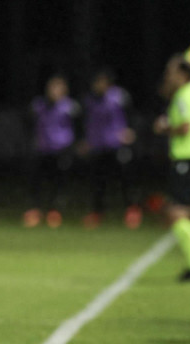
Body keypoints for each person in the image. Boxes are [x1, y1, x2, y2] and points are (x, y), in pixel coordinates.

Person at [154, 54, 190, 281]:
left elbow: (186, 127)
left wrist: (164, 128)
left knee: (175, 213)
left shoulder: (184, 95)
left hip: (186, 160)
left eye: (171, 72)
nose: (168, 76)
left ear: (183, 74)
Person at [80, 68, 141, 230]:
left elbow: (132, 115)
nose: (99, 85)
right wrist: (85, 140)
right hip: (98, 145)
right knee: (98, 181)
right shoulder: (89, 100)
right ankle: (97, 212)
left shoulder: (120, 96)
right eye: (97, 82)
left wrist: (131, 131)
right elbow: (85, 121)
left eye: (102, 81)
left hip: (117, 144)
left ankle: (132, 209)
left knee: (126, 179)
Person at [24, 75, 80, 228]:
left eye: (58, 88)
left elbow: (79, 126)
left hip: (62, 149)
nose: (54, 91)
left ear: (64, 90)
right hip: (42, 148)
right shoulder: (38, 105)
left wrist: (76, 144)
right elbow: (27, 123)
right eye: (52, 87)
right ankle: (35, 210)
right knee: (36, 180)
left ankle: (54, 211)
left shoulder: (71, 107)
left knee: (59, 181)